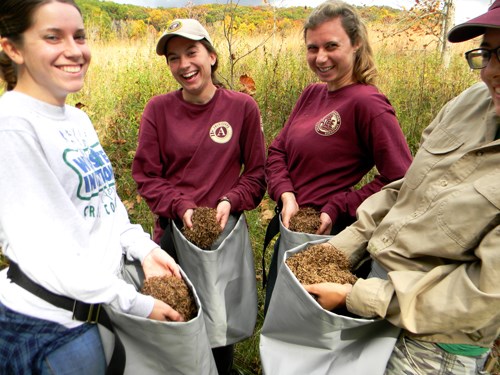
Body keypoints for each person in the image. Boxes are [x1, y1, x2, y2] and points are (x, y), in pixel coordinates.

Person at [303, 1, 500, 373]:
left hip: (433, 343)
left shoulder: (368, 103)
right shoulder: (470, 104)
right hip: (375, 294)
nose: (490, 73)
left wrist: (357, 294)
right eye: (486, 54)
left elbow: (484, 294)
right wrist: (336, 252)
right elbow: (406, 188)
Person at [0, 1, 184, 373]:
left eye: (79, 36)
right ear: (13, 49)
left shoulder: (76, 118)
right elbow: (52, 249)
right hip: (52, 326)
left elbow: (105, 204)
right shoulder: (14, 126)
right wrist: (136, 304)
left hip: (99, 306)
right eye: (53, 37)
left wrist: (143, 248)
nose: (74, 50)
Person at [131, 19, 266, 375]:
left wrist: (230, 201)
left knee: (218, 333)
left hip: (222, 241)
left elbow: (256, 175)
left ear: (211, 55)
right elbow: (146, 175)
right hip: (173, 237)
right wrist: (180, 207)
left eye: (191, 52)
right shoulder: (158, 110)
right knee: (174, 329)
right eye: (173, 58)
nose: (184, 64)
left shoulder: (241, 108)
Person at [264, 0, 412, 310]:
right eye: (312, 48)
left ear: (356, 43)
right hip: (293, 228)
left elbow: (400, 178)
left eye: (331, 46)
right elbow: (278, 150)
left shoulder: (368, 103)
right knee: (280, 318)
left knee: (305, 331)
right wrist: (286, 195)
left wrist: (337, 207)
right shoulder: (313, 93)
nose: (320, 57)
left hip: (329, 239)